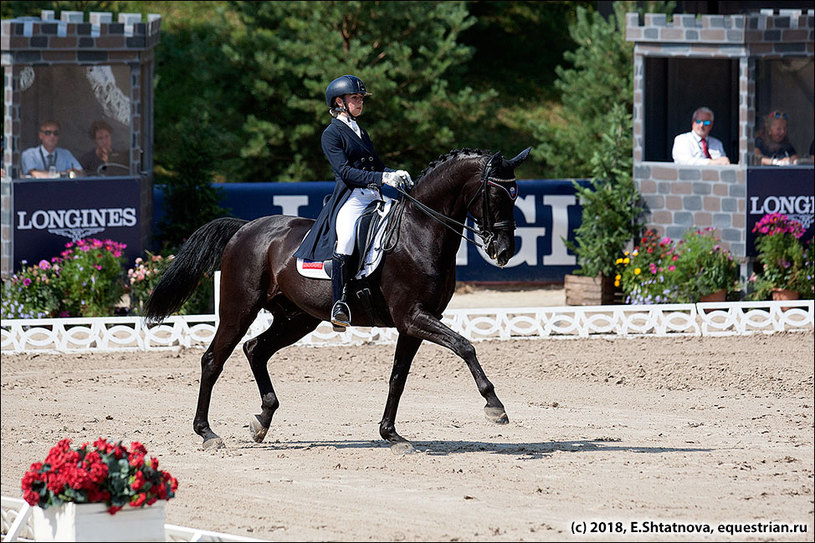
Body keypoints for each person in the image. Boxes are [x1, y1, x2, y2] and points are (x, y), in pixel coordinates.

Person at [292, 74, 412, 328]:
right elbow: (345, 172)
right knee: (345, 239)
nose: (360, 102)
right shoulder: (331, 134)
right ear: (339, 102)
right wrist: (383, 177)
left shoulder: (360, 130)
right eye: (355, 98)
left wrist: (395, 174)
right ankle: (339, 303)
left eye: (361, 98)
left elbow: (376, 165)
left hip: (373, 194)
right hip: (351, 197)